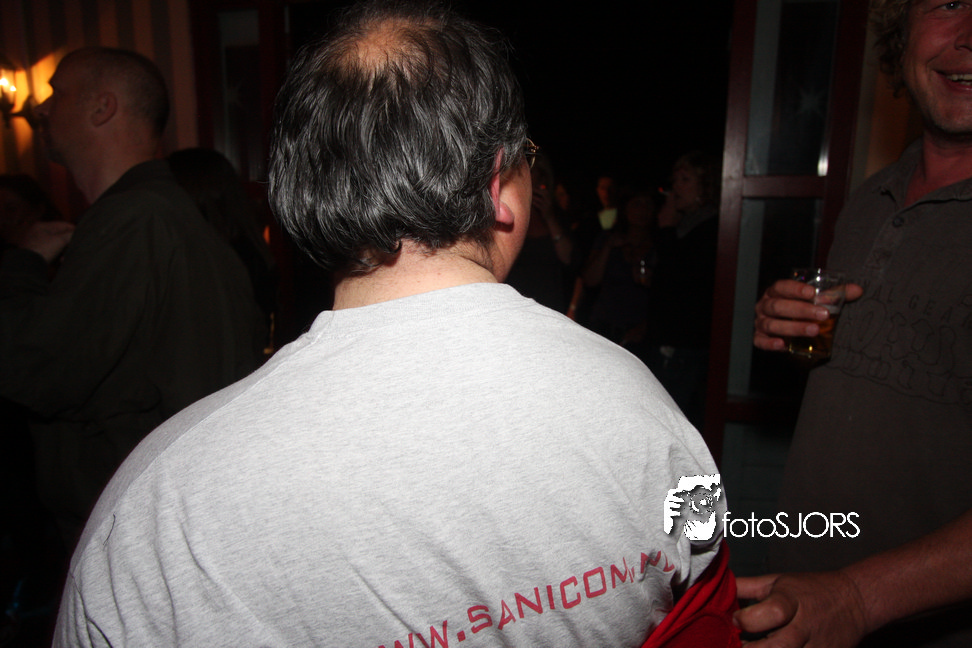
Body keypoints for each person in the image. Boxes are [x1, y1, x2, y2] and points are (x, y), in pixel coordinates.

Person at [52, 4, 739, 647]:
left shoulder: (155, 508)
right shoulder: (644, 406)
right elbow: (706, 607)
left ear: (303, 189)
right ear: (497, 185)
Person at [738, 1, 972, 646]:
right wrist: (790, 333)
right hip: (800, 589)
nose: (969, 35)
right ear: (903, 30)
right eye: (949, 2)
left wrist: (860, 597)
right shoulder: (874, 195)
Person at [0, 47, 265, 547]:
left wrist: (24, 264)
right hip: (158, 514)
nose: (42, 109)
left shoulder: (134, 219)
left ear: (103, 107)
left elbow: (38, 368)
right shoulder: (162, 214)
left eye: (57, 93)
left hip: (129, 523)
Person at [636, 152, 720, 430]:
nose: (676, 188)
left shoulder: (710, 228)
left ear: (705, 186)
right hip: (668, 340)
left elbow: (685, 280)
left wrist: (666, 229)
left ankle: (694, 467)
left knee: (675, 425)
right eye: (675, 180)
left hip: (684, 345)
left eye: (685, 180)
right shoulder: (685, 225)